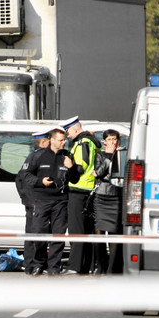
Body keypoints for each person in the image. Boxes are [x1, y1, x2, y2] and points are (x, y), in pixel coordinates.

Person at [20, 127, 80, 275]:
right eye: (60, 140)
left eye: (65, 140)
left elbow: (75, 179)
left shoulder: (68, 156)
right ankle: (39, 263)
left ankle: (54, 268)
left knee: (58, 236)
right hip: (41, 200)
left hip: (61, 201)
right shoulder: (38, 156)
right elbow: (25, 175)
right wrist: (40, 181)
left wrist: (71, 167)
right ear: (52, 140)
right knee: (38, 233)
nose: (63, 143)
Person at [63, 116, 100, 274]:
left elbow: (82, 165)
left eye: (68, 131)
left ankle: (74, 266)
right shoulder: (90, 141)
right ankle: (88, 266)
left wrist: (71, 168)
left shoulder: (83, 142)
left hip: (79, 190)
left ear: (75, 129)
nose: (67, 135)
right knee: (87, 230)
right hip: (88, 190)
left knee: (76, 230)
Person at [15, 127, 52, 275]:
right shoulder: (42, 156)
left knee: (31, 232)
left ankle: (30, 264)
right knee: (38, 233)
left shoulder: (32, 156)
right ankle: (37, 264)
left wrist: (26, 199)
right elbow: (24, 178)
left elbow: (20, 179)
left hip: (31, 201)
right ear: (43, 142)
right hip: (38, 201)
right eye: (50, 140)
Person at [91, 129, 124, 274]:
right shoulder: (99, 154)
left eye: (114, 139)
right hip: (101, 195)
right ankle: (101, 266)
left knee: (114, 232)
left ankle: (112, 268)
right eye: (109, 139)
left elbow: (121, 174)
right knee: (99, 231)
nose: (112, 142)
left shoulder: (122, 154)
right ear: (104, 142)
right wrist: (109, 156)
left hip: (115, 196)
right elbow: (99, 172)